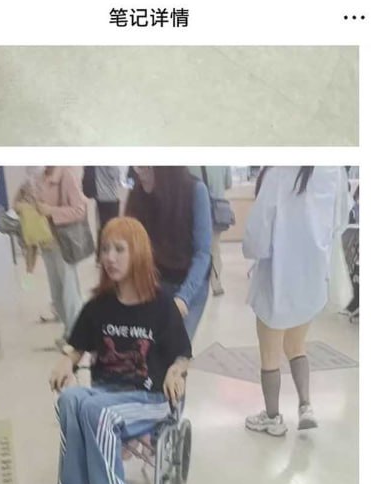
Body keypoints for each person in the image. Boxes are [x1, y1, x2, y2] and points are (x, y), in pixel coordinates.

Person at [47, 216, 192, 484]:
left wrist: (175, 371)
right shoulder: (99, 305)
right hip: (107, 391)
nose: (109, 257)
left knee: (95, 410)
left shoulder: (161, 305)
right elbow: (76, 346)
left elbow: (183, 353)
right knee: (70, 400)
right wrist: (65, 361)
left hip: (149, 397)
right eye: (105, 249)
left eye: (119, 249)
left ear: (138, 252)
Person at [242, 166, 349, 436]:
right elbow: (340, 220)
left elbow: (258, 231)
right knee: (296, 345)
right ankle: (305, 406)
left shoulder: (279, 171)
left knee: (270, 354)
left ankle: (273, 418)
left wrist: (251, 251)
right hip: (312, 276)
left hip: (276, 276)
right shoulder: (334, 170)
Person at [125, 167, 212, 341]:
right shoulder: (137, 193)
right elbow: (130, 246)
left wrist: (183, 297)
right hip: (154, 284)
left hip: (189, 284)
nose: (138, 172)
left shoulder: (195, 191)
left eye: (144, 167)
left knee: (176, 347)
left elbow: (203, 253)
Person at [29, 166, 86, 343]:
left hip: (63, 242)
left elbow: (80, 210)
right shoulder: (39, 177)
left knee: (69, 291)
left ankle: (76, 335)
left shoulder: (65, 175)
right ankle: (69, 330)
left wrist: (51, 211)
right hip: (47, 242)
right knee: (56, 292)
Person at [188, 166, 232, 296]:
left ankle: (195, 282)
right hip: (217, 210)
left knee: (196, 248)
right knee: (215, 248)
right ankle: (216, 284)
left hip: (195, 208)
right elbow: (228, 183)